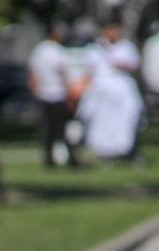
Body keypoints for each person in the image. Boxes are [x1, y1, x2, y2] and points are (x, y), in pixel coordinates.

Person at [77, 20, 144, 161]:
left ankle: (126, 150)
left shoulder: (126, 47)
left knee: (127, 119)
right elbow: (89, 71)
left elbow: (135, 65)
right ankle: (105, 152)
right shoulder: (95, 49)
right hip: (102, 91)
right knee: (102, 122)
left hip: (122, 89)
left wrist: (122, 65)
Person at [27, 22, 77, 167]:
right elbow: (63, 74)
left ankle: (49, 158)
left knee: (47, 129)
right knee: (63, 129)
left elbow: (32, 74)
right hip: (58, 94)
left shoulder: (38, 51)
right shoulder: (58, 51)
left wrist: (35, 90)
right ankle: (70, 158)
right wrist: (70, 94)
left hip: (43, 95)